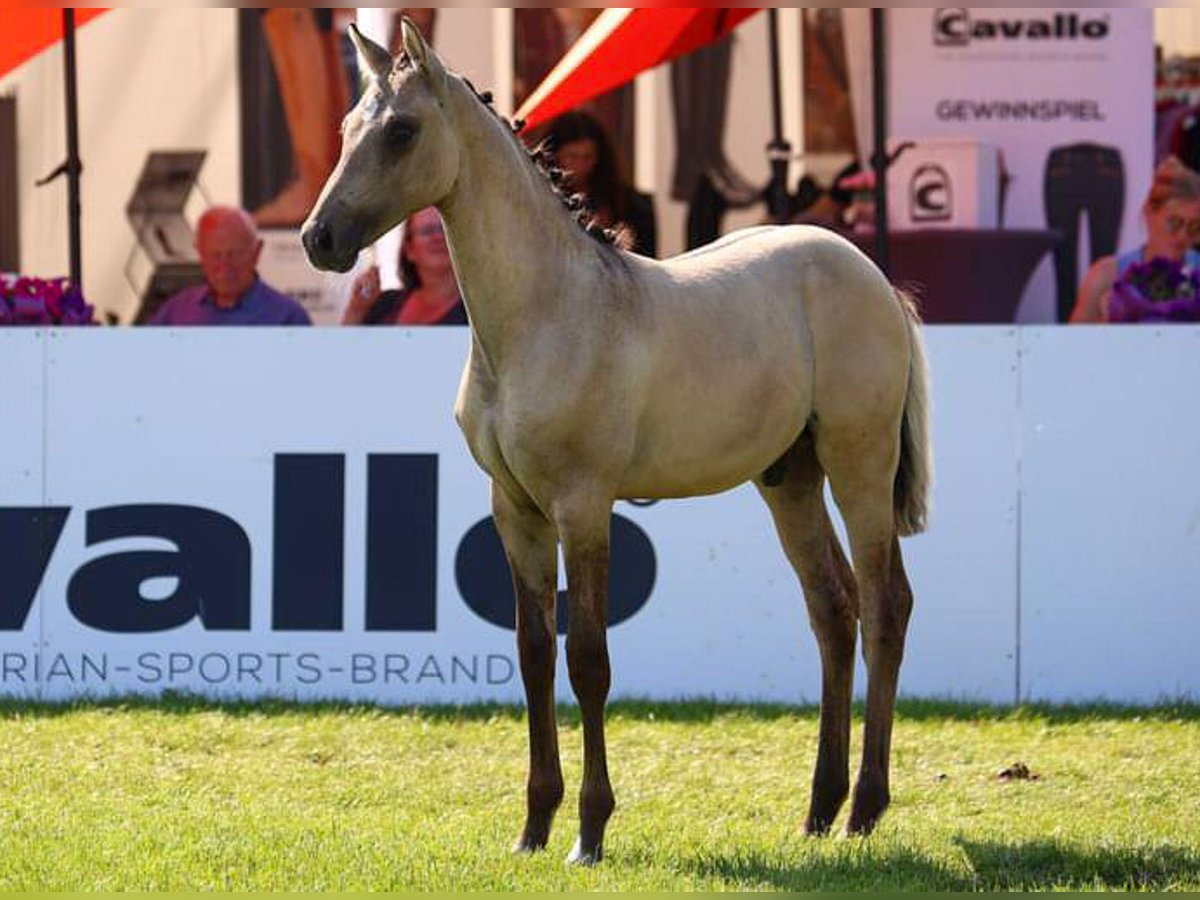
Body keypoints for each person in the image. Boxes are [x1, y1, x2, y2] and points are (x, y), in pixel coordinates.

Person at [1071, 156, 1200, 323]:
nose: (1183, 235)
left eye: (1195, 227)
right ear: (1150, 213)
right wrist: (1107, 322)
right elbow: (1073, 346)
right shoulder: (1105, 276)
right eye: (1174, 223)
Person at [149, 206, 311, 326]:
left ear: (257, 251)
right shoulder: (177, 309)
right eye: (215, 255)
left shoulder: (287, 317)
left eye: (234, 254)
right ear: (200, 254)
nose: (224, 267)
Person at [544, 111, 658, 258]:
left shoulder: (628, 204)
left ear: (599, 157)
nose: (580, 166)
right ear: (554, 155)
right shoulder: (543, 197)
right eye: (572, 157)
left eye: (587, 157)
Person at [342, 207, 466, 326]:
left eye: (444, 229)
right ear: (409, 250)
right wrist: (357, 309)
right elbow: (346, 346)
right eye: (427, 231)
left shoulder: (476, 310)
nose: (438, 237)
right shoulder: (387, 303)